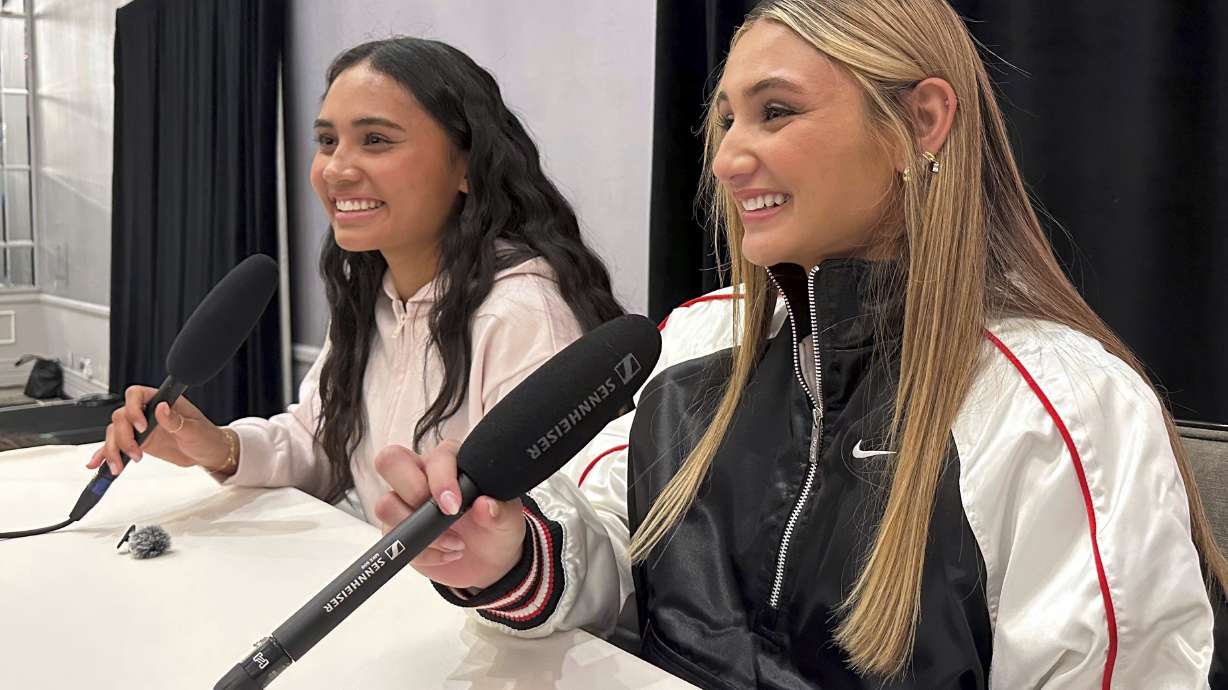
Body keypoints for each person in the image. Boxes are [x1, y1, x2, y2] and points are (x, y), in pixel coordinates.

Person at [379, 1, 1225, 687]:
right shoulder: (694, 340)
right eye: (725, 120)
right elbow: (611, 550)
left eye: (775, 112)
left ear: (920, 123)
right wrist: (509, 551)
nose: (729, 158)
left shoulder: (1066, 405)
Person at [90, 37, 623, 540]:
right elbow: (321, 447)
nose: (336, 169)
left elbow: (558, 533)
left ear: (467, 166)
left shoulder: (522, 314)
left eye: (375, 140)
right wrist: (217, 446)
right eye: (327, 141)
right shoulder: (374, 296)